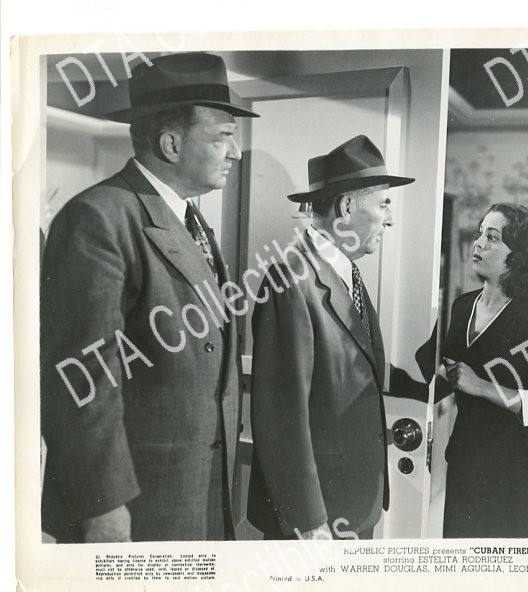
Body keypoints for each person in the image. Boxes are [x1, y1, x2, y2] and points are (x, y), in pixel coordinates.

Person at [40, 52, 258, 542]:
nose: (236, 153)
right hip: (137, 508)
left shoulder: (190, 220)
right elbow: (82, 380)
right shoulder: (98, 218)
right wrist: (103, 508)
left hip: (195, 495)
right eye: (223, 137)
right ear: (171, 144)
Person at [247, 135, 414, 540]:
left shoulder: (346, 271)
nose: (390, 219)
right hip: (317, 520)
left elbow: (356, 368)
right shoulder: (292, 279)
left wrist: (434, 384)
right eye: (384, 204)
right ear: (346, 207)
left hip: (352, 506)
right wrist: (308, 523)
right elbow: (281, 416)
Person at [416, 202, 528, 538]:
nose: (478, 243)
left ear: (519, 255)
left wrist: (482, 386)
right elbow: (435, 373)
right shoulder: (461, 307)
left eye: (493, 237)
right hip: (465, 463)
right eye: (480, 233)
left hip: (517, 475)